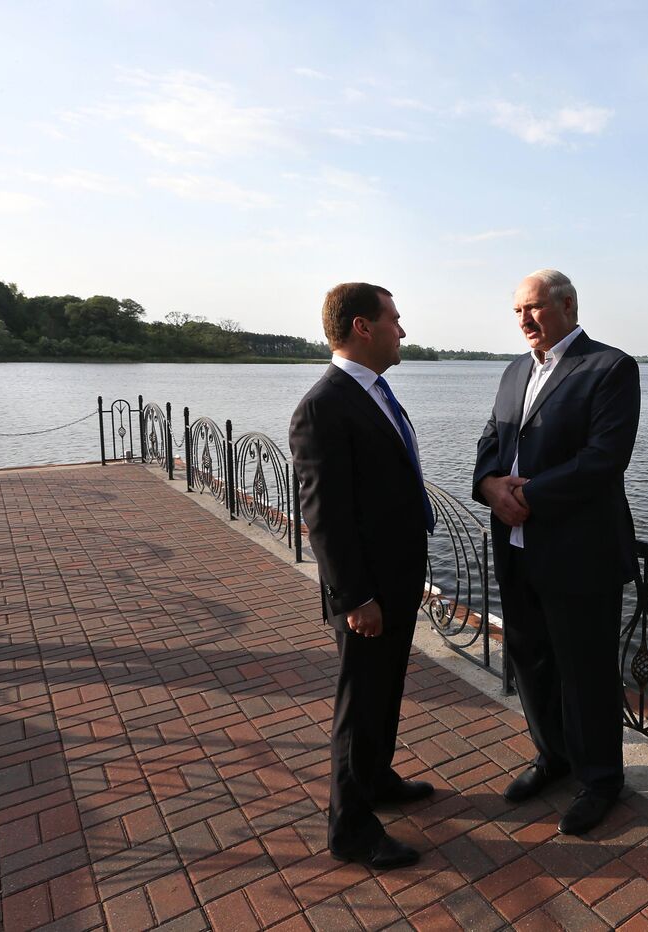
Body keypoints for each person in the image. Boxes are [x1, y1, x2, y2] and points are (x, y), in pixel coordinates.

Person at [473, 268, 640, 836]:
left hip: (579, 553)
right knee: (530, 661)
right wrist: (490, 486)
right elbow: (491, 440)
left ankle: (601, 780)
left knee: (586, 671)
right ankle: (552, 757)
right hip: (517, 547)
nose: (524, 320)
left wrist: (531, 497)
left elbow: (604, 458)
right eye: (517, 310)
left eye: (534, 308)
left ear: (567, 305)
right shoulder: (515, 369)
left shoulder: (610, 367)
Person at [289, 282, 436, 870]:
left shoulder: (373, 392)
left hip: (395, 576)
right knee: (361, 700)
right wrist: (356, 596)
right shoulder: (323, 405)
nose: (403, 329)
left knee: (386, 690)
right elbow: (323, 515)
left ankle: (376, 779)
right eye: (394, 319)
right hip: (367, 589)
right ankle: (350, 827)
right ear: (361, 328)